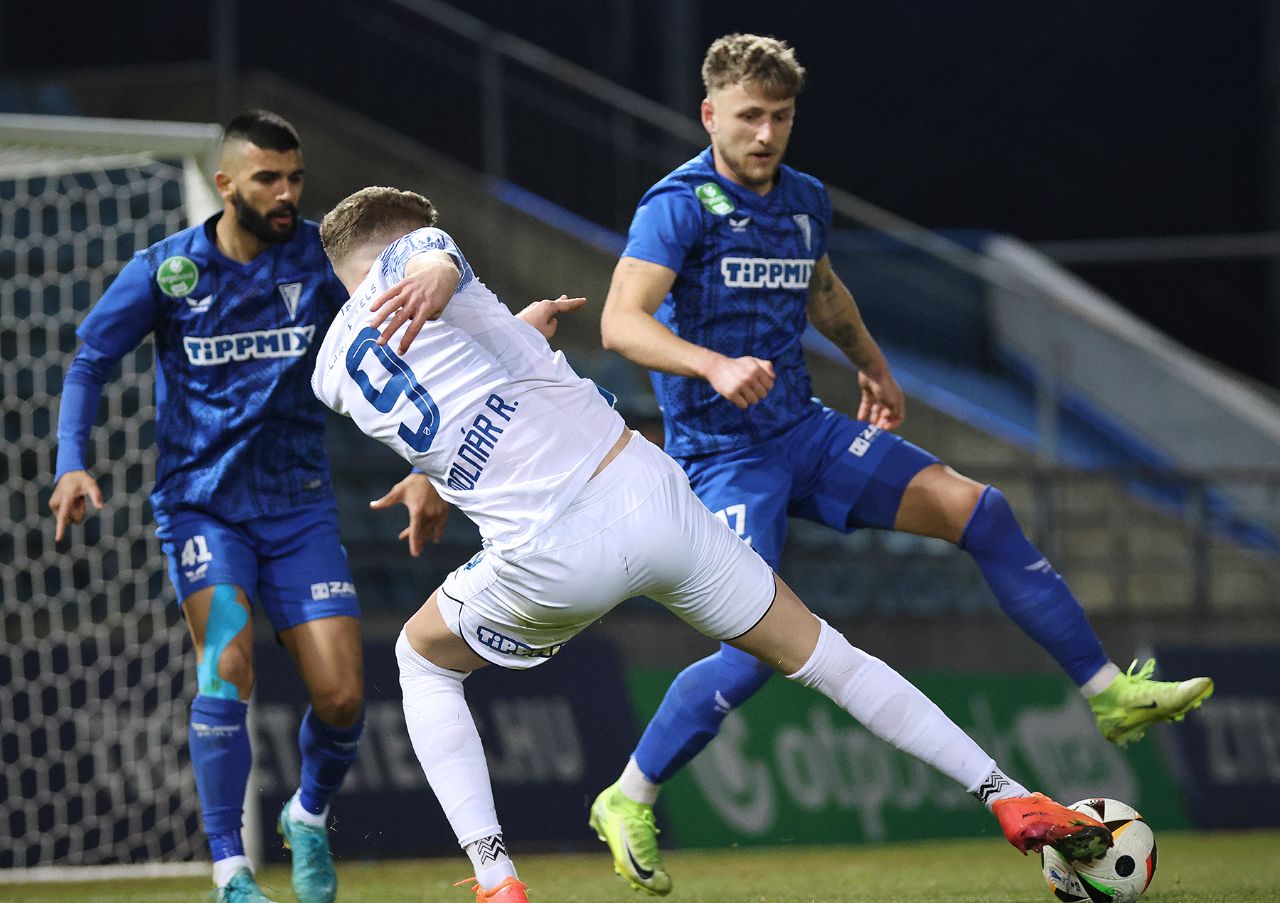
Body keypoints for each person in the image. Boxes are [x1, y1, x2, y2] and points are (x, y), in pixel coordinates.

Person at [311, 185, 1116, 903]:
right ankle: (1006, 793)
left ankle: (497, 877)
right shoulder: (419, 254)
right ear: (392, 243)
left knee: (423, 659)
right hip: (645, 495)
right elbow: (433, 260)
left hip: (547, 560)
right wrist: (439, 270)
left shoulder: (330, 375)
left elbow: (453, 391)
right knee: (827, 655)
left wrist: (500, 343)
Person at [590, 32, 1216, 895]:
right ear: (709, 114)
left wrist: (874, 366)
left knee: (978, 509)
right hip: (723, 456)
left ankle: (1109, 691)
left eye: (781, 117)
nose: (766, 134)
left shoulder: (804, 198)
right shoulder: (678, 204)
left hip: (805, 432)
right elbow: (619, 322)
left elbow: (823, 291)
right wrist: (712, 365)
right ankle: (629, 795)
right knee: (753, 650)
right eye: (749, 116)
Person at [48, 111, 444, 903]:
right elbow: (91, 358)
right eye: (268, 179)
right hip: (203, 509)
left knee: (342, 696)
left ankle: (307, 814)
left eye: (295, 178)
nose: (287, 193)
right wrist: (70, 463)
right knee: (227, 668)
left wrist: (427, 464)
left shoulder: (320, 260)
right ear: (225, 183)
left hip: (298, 509)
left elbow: (409, 339)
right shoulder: (169, 272)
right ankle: (230, 869)